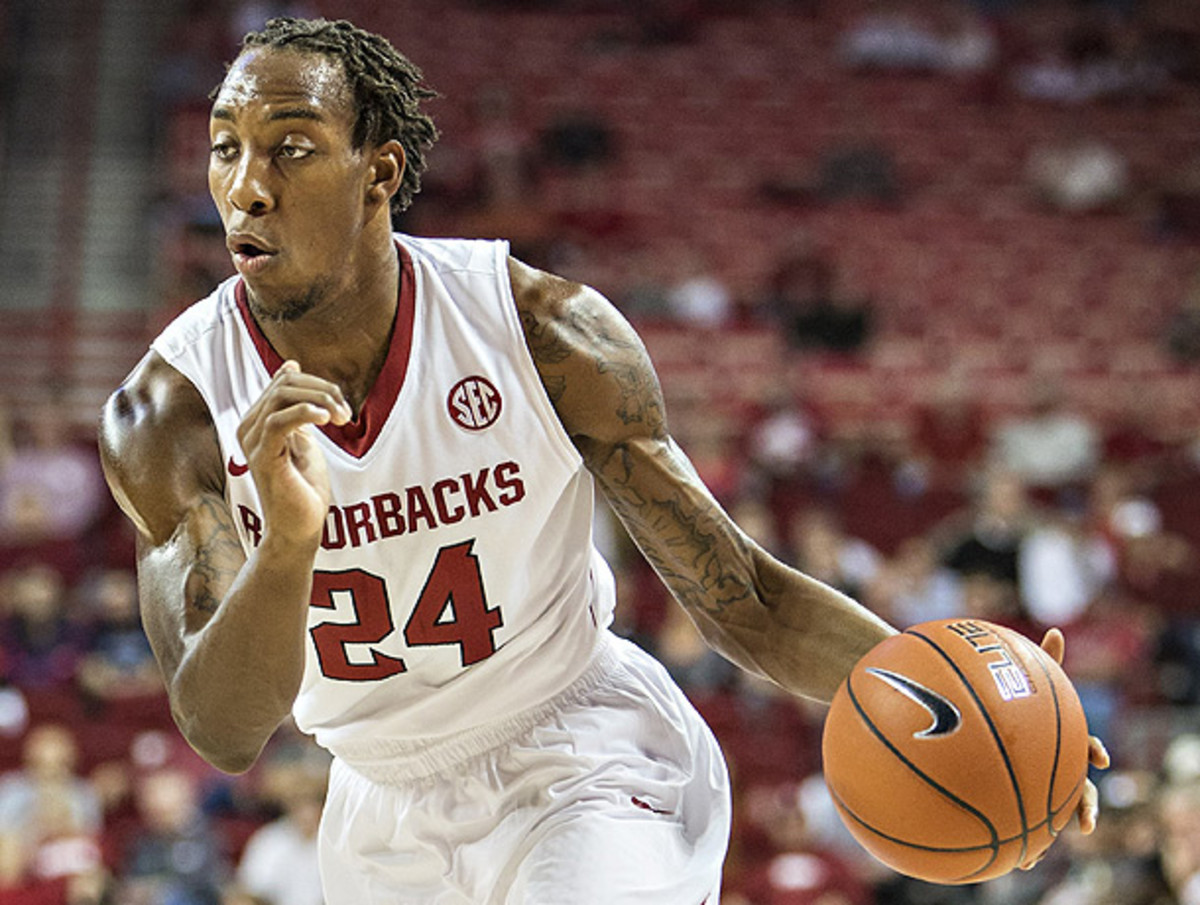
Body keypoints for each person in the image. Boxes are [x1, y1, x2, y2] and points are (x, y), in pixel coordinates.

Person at [97, 17, 1106, 904]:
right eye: (225, 149)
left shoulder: (541, 332)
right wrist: (289, 549)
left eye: (292, 149)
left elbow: (740, 593)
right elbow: (221, 728)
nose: (247, 187)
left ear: (383, 172)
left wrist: (967, 715)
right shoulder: (170, 411)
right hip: (379, 805)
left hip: (577, 750)